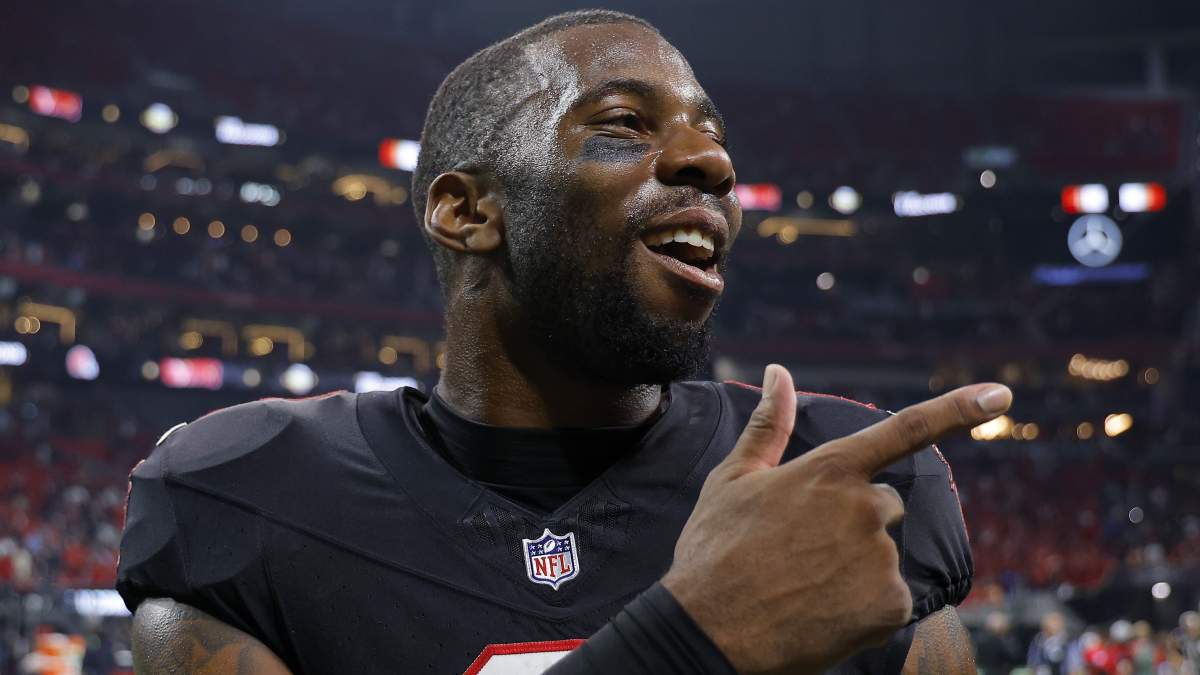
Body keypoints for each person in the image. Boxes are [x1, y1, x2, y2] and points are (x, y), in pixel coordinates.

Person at [115, 10, 1012, 674]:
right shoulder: (249, 499)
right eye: (623, 123)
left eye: (713, 136)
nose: (713, 163)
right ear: (467, 211)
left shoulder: (839, 480)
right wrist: (692, 638)